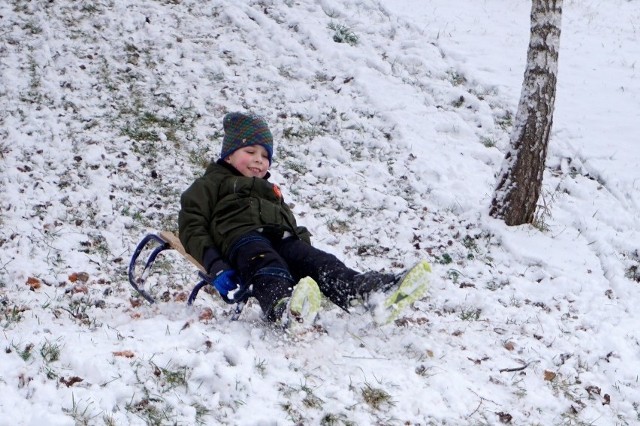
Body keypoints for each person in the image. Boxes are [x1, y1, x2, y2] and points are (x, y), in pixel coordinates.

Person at [178, 112, 399, 323]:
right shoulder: (211, 184)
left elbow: (288, 223)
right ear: (228, 155)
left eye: (265, 156)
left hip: (281, 239)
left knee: (321, 261)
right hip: (242, 241)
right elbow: (192, 225)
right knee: (266, 264)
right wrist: (215, 263)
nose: (259, 160)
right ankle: (283, 307)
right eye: (250, 152)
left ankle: (360, 292)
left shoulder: (269, 190)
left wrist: (303, 252)